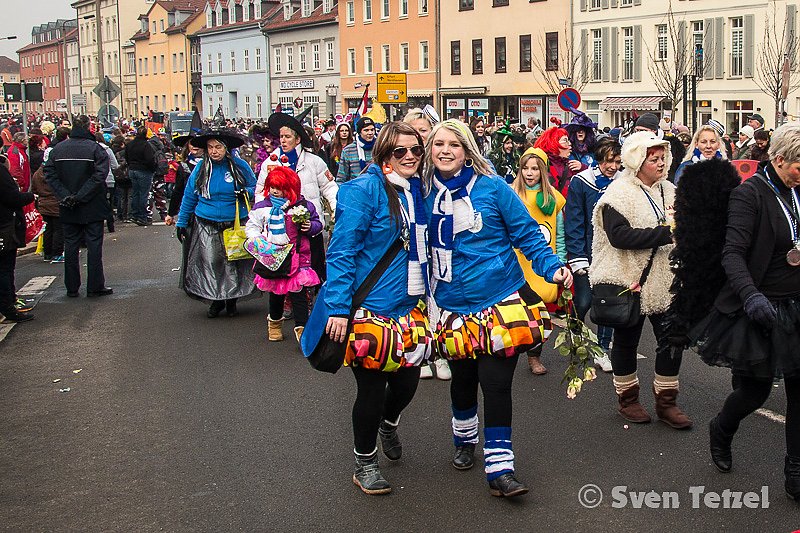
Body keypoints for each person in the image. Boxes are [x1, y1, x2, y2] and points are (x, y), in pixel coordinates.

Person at [425, 119, 572, 498]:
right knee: (462, 382)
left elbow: (527, 236)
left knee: (496, 385)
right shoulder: (419, 195)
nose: (446, 150)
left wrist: (553, 267)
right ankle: (464, 438)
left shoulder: (492, 189)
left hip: (499, 302)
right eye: (439, 143)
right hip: (450, 307)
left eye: (454, 144)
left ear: (468, 149)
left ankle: (500, 468)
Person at [689, 123, 800, 501]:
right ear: (780, 160)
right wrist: (751, 296)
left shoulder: (798, 191)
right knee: (754, 392)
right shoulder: (750, 195)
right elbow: (732, 254)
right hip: (760, 305)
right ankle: (722, 427)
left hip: (796, 305)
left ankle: (796, 471)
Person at [324, 122, 434, 495]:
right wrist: (339, 307)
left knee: (407, 383)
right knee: (370, 389)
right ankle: (365, 462)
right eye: (398, 151)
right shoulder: (361, 191)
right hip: (369, 309)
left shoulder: (420, 189)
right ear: (383, 153)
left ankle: (389, 423)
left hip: (409, 306)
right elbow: (341, 252)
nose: (408, 157)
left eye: (415, 151)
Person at [589, 131, 691, 429]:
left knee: (672, 341)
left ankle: (667, 403)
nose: (661, 164)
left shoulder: (670, 190)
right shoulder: (617, 194)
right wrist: (667, 233)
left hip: (665, 282)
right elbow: (619, 236)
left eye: (663, 158)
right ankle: (628, 401)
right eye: (654, 159)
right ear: (637, 161)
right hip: (627, 280)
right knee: (626, 342)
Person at [175, 127, 257, 318]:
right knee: (212, 261)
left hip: (234, 222)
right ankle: (216, 299)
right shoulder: (200, 168)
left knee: (233, 262)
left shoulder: (239, 165)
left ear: (226, 148)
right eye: (211, 147)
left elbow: (255, 186)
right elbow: (189, 196)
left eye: (218, 147)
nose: (214, 151)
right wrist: (182, 221)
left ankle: (231, 300)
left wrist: (247, 193)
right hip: (206, 221)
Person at [257, 111, 338, 282]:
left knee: (312, 270)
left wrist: (336, 209)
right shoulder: (270, 163)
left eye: (287, 136)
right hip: (280, 228)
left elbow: (329, 187)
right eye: (281, 137)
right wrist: (262, 218)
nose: (283, 140)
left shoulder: (314, 161)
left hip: (309, 226)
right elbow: (260, 192)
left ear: (298, 139)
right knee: (281, 273)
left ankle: (308, 305)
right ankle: (286, 305)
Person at [564, 138, 622, 373]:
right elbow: (574, 221)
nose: (613, 167)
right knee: (585, 300)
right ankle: (575, 331)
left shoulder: (623, 182)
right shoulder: (581, 182)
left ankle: (602, 350)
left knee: (607, 304)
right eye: (609, 161)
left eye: (617, 161)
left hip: (613, 253)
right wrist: (577, 256)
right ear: (599, 160)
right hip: (587, 251)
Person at [246, 166, 322, 343]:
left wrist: (310, 227)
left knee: (299, 295)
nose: (274, 191)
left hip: (298, 257)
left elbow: (317, 224)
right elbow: (252, 227)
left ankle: (303, 330)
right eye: (272, 186)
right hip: (273, 258)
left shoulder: (303, 206)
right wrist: (259, 242)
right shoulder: (262, 207)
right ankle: (274, 324)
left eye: (279, 187)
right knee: (276, 295)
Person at [43, 115, 112, 298]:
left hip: (68, 206)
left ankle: (72, 287)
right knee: (94, 246)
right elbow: (99, 176)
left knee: (71, 245)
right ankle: (95, 285)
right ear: (88, 127)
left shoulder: (58, 149)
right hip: (92, 205)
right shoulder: (95, 149)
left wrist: (65, 195)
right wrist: (80, 196)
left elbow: (49, 173)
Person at [511, 147, 567, 375]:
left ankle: (534, 356)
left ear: (543, 171)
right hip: (516, 263)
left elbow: (559, 234)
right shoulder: (511, 194)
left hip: (543, 265)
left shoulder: (553, 198)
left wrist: (560, 261)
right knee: (515, 312)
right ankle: (511, 351)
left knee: (539, 313)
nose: (529, 173)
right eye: (525, 168)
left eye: (535, 168)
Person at [0, 156, 35, 321]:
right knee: (4, 269)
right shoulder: (1, 171)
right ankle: (8, 306)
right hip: (4, 227)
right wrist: (30, 197)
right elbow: (12, 197)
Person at [534, 126, 583, 198]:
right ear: (553, 143)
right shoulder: (544, 165)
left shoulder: (571, 165)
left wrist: (582, 168)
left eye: (568, 140)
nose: (569, 143)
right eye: (565, 140)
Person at [165, 136, 203, 226]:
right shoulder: (183, 166)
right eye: (192, 143)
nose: (195, 146)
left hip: (210, 211)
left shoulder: (215, 164)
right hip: (191, 211)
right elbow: (178, 190)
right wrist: (171, 213)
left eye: (198, 143)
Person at [31, 163, 63, 263]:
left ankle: (47, 253)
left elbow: (34, 189)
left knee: (47, 229)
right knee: (58, 229)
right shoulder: (56, 172)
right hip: (56, 203)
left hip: (43, 204)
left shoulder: (37, 174)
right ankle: (57, 253)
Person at [125, 127, 157, 226]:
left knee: (135, 193)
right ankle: (142, 216)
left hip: (132, 169)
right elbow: (150, 160)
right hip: (144, 170)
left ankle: (135, 214)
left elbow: (126, 156)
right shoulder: (146, 145)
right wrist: (153, 169)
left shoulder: (130, 144)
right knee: (143, 194)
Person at [337, 117, 376, 183]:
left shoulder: (380, 147)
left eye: (372, 130)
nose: (370, 133)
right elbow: (341, 178)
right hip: (356, 189)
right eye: (366, 130)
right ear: (359, 132)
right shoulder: (348, 150)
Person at [95, 133, 119, 233]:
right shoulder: (107, 150)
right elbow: (115, 165)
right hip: (108, 179)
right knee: (108, 203)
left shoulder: (91, 149)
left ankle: (97, 225)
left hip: (94, 181)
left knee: (96, 204)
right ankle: (110, 225)